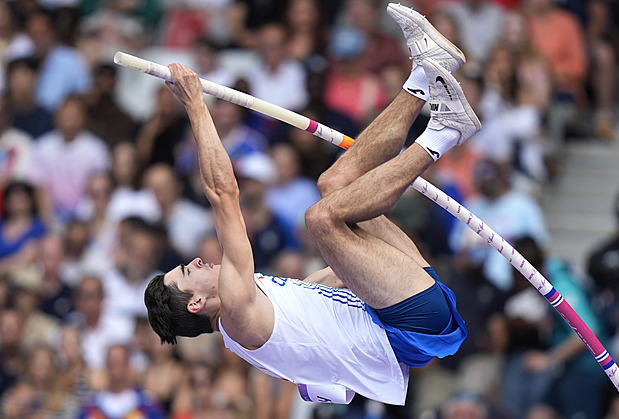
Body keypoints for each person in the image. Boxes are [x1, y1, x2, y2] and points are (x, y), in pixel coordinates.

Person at [145, 3, 478, 405]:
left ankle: (425, 76)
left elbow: (320, 299)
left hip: (401, 305)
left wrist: (350, 262)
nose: (195, 262)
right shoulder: (236, 310)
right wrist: (196, 106)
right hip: (411, 322)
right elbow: (223, 194)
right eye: (186, 271)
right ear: (196, 303)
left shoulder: (253, 310)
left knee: (334, 184)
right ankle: (444, 133)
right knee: (320, 219)